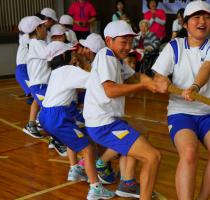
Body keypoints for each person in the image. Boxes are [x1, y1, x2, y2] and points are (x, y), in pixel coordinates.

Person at [152, 1, 210, 200]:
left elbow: (207, 68)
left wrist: (194, 87)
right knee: (188, 152)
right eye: (196, 17)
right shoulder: (174, 46)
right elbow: (159, 74)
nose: (202, 21)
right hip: (181, 112)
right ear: (185, 24)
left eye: (206, 17)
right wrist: (161, 80)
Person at [83, 20, 161, 200]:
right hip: (103, 125)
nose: (128, 47)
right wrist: (144, 86)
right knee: (152, 157)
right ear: (109, 41)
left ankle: (128, 183)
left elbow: (134, 76)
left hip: (110, 121)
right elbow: (110, 90)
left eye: (130, 42)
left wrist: (149, 81)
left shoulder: (116, 59)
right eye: (123, 42)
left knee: (142, 131)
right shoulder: (107, 56)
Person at [39, 41, 115, 200]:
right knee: (88, 149)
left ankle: (75, 169)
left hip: (47, 115)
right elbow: (93, 81)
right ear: (63, 56)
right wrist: (87, 63)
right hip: (57, 116)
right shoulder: (68, 70)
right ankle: (95, 188)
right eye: (71, 53)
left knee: (76, 136)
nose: (74, 54)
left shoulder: (56, 72)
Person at [15, 17, 31, 99]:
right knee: (33, 92)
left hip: (26, 67)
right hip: (23, 68)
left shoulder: (23, 36)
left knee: (33, 93)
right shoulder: (26, 37)